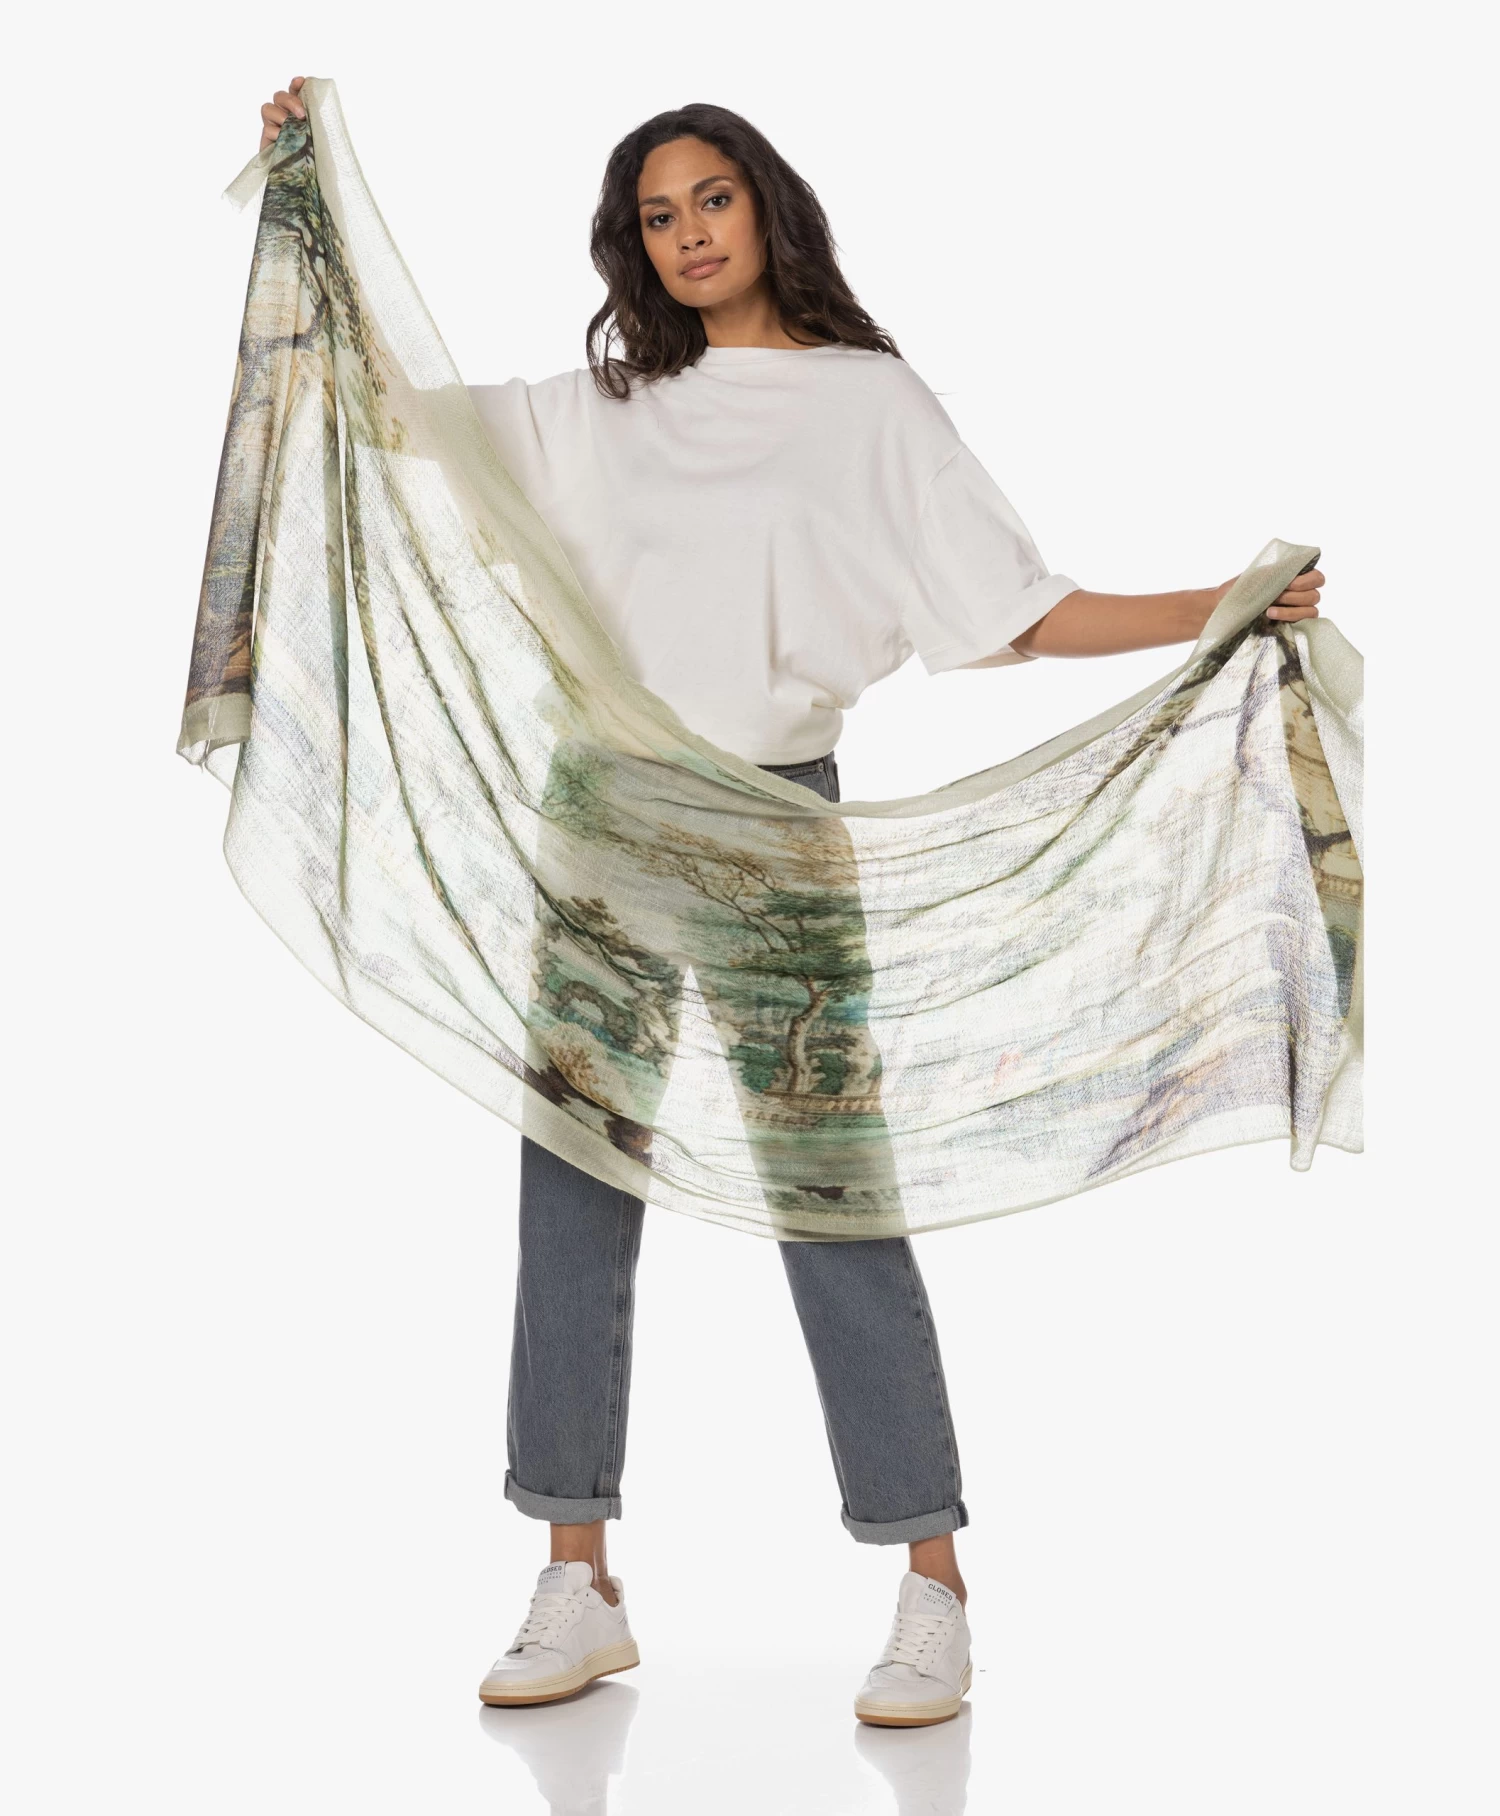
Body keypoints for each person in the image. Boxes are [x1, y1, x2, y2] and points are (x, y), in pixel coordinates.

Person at [255, 79, 1324, 1728]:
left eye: (712, 200)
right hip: (610, 812)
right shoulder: (601, 409)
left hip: (773, 822)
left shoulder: (867, 405)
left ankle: (931, 1585)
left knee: (831, 1192)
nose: (689, 234)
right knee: (573, 1185)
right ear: (633, 245)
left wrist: (1220, 602)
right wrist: (305, 202)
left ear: (766, 207)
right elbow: (373, 404)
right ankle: (578, 1579)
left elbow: (1016, 612)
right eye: (657, 215)